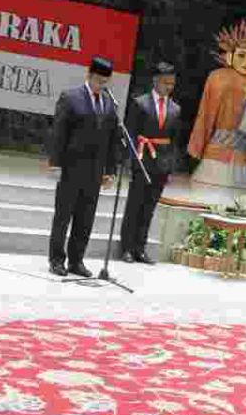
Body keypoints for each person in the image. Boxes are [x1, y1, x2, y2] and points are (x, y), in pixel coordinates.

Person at [47, 56, 121, 278]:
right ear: (88, 76)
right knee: (63, 216)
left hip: (94, 171)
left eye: (105, 82)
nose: (101, 85)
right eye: (98, 80)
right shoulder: (70, 97)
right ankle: (57, 260)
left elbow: (112, 140)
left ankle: (76, 260)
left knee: (85, 218)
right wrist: (55, 164)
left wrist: (110, 171)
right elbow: (59, 134)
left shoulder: (109, 103)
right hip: (71, 168)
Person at [188, 20, 246, 190]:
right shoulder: (218, 78)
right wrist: (196, 150)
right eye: (241, 55)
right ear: (230, 56)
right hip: (217, 157)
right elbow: (205, 117)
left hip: (242, 160)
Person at [119, 62, 182, 264]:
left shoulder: (175, 109)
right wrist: (131, 160)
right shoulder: (140, 103)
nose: (169, 87)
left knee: (150, 207)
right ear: (155, 81)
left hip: (162, 162)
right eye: (165, 83)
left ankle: (140, 247)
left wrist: (171, 167)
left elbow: (175, 141)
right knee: (135, 204)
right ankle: (126, 247)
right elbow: (129, 134)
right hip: (142, 156)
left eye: (172, 84)